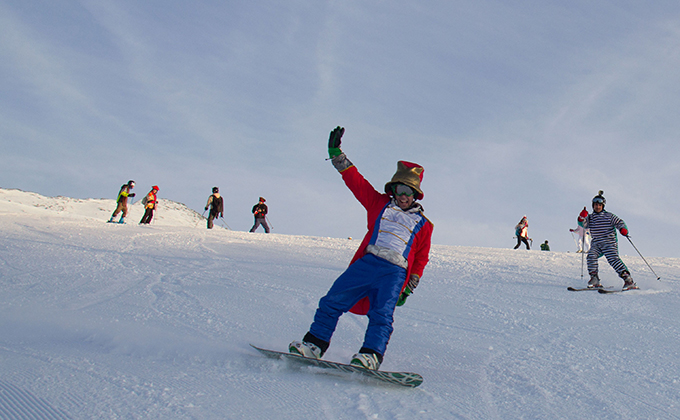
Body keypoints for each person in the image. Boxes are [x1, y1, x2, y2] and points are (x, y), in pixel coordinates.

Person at [289, 126, 434, 371]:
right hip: (367, 264)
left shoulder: (424, 224)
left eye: (408, 191)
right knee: (332, 300)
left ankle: (370, 355)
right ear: (393, 189)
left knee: (382, 314)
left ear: (416, 194)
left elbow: (421, 257)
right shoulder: (378, 204)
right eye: (399, 189)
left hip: (395, 273)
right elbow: (356, 181)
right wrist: (337, 155)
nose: (403, 195)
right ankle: (314, 345)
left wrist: (409, 287)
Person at [577, 190, 637, 290]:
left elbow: (619, 222)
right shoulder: (590, 218)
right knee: (591, 256)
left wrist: (623, 229)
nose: (597, 207)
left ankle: (628, 280)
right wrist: (581, 217)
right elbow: (583, 224)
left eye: (599, 205)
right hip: (596, 243)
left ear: (603, 206)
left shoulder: (609, 216)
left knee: (613, 259)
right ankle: (594, 279)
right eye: (596, 205)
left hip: (609, 242)